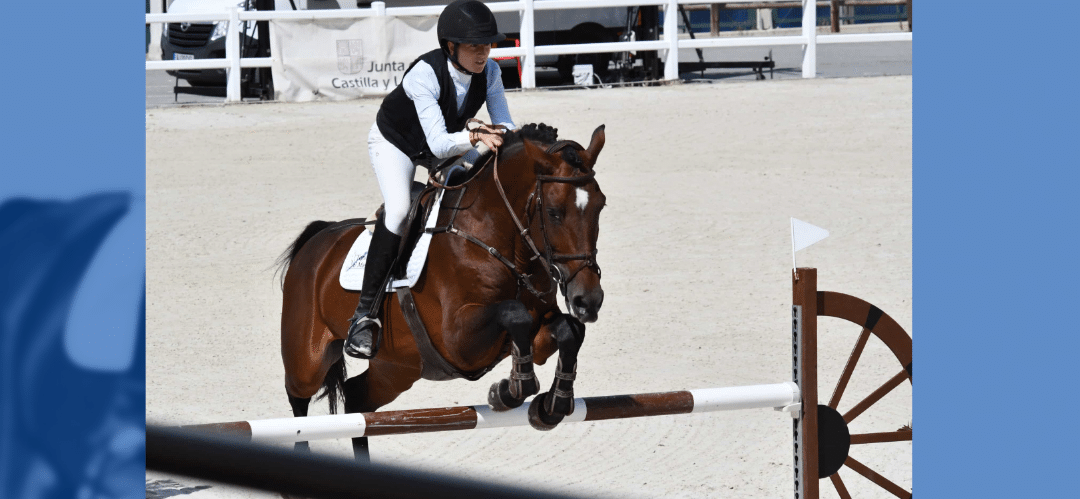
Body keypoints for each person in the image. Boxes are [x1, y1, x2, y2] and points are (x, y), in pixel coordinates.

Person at [344, 0, 517, 359]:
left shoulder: (492, 73)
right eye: (474, 46)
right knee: (399, 210)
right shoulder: (424, 74)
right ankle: (363, 318)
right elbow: (439, 142)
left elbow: (507, 126)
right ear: (451, 46)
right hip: (397, 145)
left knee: (475, 182)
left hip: (444, 147)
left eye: (487, 45)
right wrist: (475, 135)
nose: (483, 53)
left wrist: (491, 141)